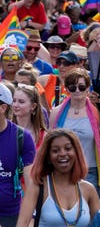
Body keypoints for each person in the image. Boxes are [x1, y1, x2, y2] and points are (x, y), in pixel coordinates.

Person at [16, 129, 100, 227]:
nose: (63, 154)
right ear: (48, 157)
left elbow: (99, 225)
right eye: (55, 150)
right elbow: (22, 223)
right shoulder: (38, 186)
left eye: (68, 148)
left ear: (76, 153)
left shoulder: (88, 189)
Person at [49, 68, 100, 197]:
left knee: (89, 214)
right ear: (67, 89)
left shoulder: (97, 113)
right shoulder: (56, 112)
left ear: (88, 88)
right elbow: (50, 144)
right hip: (62, 170)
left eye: (82, 87)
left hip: (89, 171)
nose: (77, 91)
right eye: (73, 87)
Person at [0, 83, 35, 227]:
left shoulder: (21, 137)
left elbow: (31, 183)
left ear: (3, 108)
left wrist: (27, 220)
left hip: (11, 214)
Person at [11, 84, 47, 149]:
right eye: (14, 101)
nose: (15, 105)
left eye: (21, 102)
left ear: (33, 106)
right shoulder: (4, 130)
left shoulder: (44, 135)